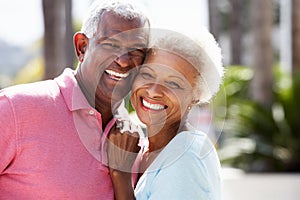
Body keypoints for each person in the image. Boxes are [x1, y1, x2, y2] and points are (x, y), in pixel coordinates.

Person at [0, 0, 150, 199]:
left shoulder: (134, 141)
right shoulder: (15, 108)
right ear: (82, 47)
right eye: (111, 44)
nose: (123, 61)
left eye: (136, 51)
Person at [107, 27, 224, 200]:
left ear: (196, 96)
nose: (154, 91)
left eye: (174, 84)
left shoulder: (183, 160)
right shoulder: (154, 148)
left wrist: (120, 174)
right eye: (147, 74)